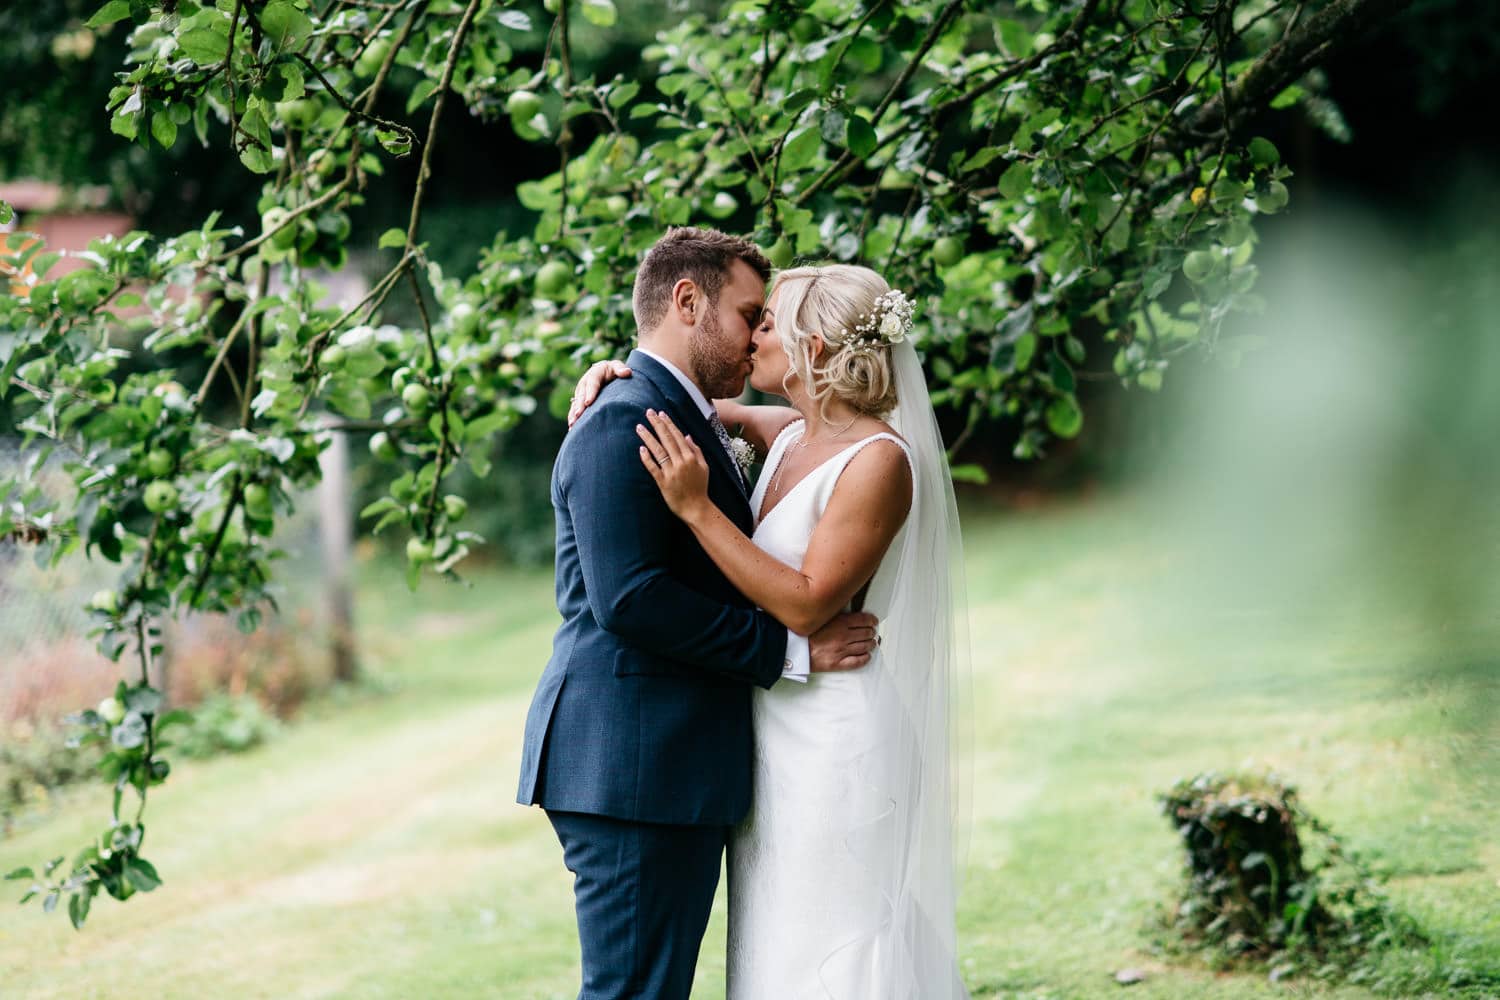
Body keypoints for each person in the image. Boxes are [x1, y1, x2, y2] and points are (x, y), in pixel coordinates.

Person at [572, 262, 970, 998]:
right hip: (772, 726)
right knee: (779, 931)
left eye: (766, 322)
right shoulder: (789, 434)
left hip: (836, 729)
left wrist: (698, 510)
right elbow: (683, 404)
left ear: (813, 349)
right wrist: (615, 374)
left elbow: (808, 602)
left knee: (836, 930)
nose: (752, 337)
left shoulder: (879, 460)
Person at [516, 228, 882, 1000]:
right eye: (750, 313)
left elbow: (834, 437)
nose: (758, 334)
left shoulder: (681, 413)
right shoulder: (625, 420)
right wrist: (792, 652)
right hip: (632, 763)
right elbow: (631, 599)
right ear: (688, 301)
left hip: (668, 765)